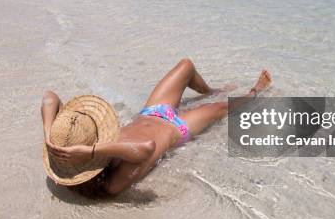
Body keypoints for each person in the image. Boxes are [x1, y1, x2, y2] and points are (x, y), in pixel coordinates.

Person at [41, 58, 272, 196]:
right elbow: (146, 148)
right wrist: (92, 151)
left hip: (151, 112)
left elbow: (49, 98)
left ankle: (211, 90)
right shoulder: (110, 185)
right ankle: (255, 92)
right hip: (178, 127)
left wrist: (49, 137)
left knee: (186, 65)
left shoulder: (68, 151)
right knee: (222, 108)